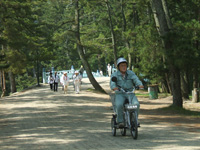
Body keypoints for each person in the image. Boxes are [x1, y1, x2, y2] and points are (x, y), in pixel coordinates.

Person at [110, 57, 144, 127]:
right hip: (120, 94)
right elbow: (112, 83)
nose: (123, 67)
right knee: (119, 105)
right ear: (118, 67)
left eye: (125, 65)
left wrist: (140, 85)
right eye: (122, 65)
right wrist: (114, 88)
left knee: (136, 104)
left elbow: (136, 79)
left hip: (130, 93)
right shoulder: (114, 75)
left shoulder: (131, 73)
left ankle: (134, 120)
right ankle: (120, 121)